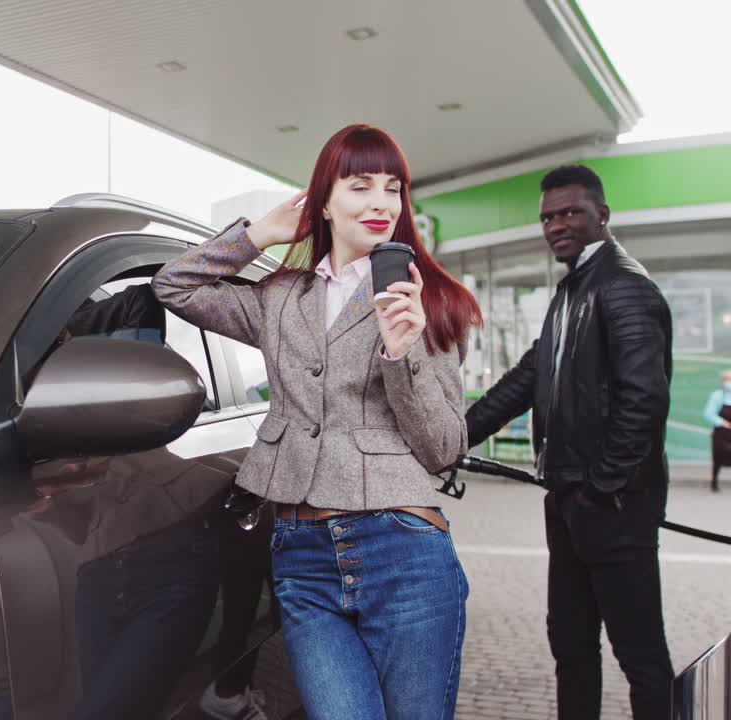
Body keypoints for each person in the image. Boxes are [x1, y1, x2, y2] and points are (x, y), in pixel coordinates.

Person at [153, 123, 481, 719]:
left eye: (393, 188)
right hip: (301, 555)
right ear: (323, 200)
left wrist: (401, 354)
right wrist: (259, 234)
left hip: (402, 552)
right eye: (360, 186)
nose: (381, 203)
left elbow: (443, 448)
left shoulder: (428, 299)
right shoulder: (282, 296)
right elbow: (174, 287)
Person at [465, 164, 675, 719]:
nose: (557, 224)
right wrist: (451, 436)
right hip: (570, 502)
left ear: (602, 216)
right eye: (548, 217)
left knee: (640, 654)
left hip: (612, 505)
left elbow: (644, 401)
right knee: (571, 647)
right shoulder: (571, 291)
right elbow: (526, 380)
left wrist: (598, 489)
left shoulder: (624, 286)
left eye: (570, 213)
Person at [704, 369, 731, 492]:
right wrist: (722, 422)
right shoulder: (717, 395)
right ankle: (714, 482)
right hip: (721, 433)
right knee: (719, 458)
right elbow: (708, 413)